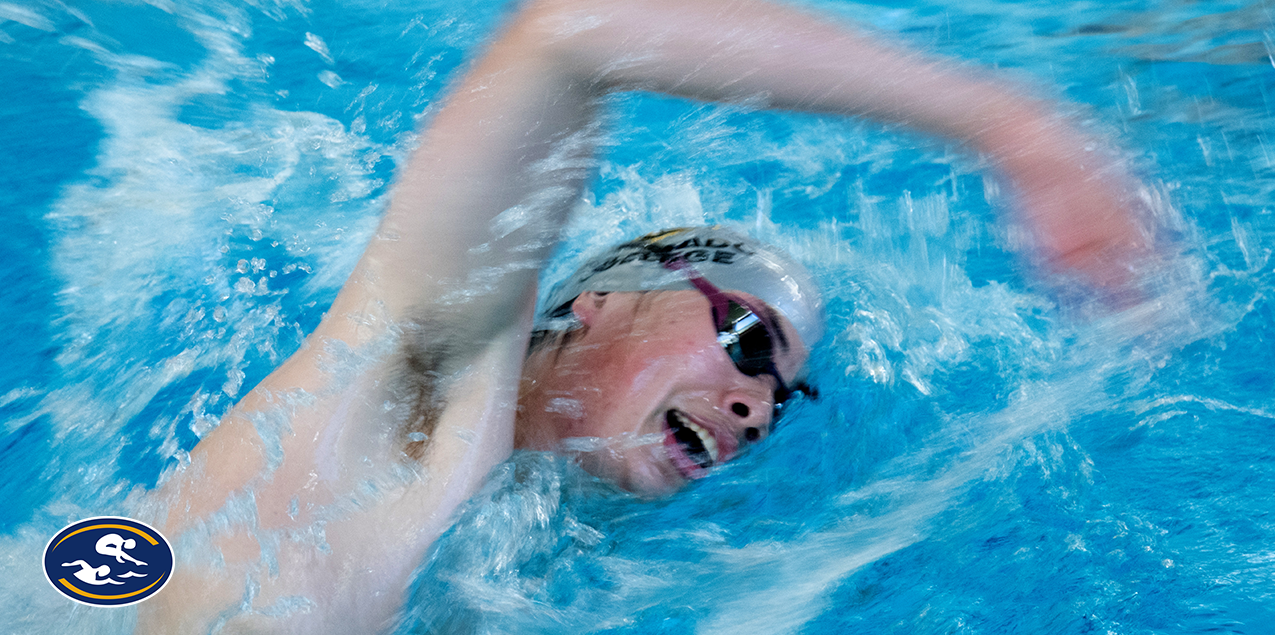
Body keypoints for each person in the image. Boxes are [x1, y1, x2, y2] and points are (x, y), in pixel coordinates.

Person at [138, 0, 1153, 632]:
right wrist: (1010, 123)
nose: (758, 408)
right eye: (749, 341)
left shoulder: (529, 556)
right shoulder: (415, 374)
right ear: (599, 299)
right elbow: (569, 32)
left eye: (782, 395)